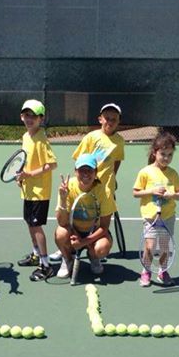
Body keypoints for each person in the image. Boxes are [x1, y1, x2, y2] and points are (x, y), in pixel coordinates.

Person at [50, 103, 125, 262]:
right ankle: (66, 249)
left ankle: (93, 253)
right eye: (107, 118)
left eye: (114, 119)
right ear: (100, 119)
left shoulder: (119, 141)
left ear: (118, 122)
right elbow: (80, 160)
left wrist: (113, 180)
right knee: (77, 217)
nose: (110, 122)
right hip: (86, 184)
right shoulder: (92, 137)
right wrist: (80, 180)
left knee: (97, 222)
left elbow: (117, 160)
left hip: (103, 190)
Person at [132, 132, 179, 287]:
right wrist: (152, 192)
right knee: (149, 246)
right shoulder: (145, 172)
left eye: (170, 155)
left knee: (164, 247)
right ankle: (146, 271)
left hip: (168, 216)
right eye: (163, 154)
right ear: (155, 152)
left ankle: (163, 271)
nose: (166, 158)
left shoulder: (173, 173)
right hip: (151, 217)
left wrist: (172, 195)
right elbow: (135, 193)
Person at [14, 100, 58, 281]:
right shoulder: (26, 137)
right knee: (30, 223)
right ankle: (36, 255)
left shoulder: (41, 139)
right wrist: (21, 175)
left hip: (40, 191)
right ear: (21, 116)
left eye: (34, 116)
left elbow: (52, 164)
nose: (29, 119)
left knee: (36, 226)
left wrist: (29, 174)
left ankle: (46, 265)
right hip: (28, 189)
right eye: (26, 115)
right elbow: (25, 160)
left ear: (41, 118)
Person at [55, 154, 114, 279]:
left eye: (89, 170)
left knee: (102, 248)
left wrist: (83, 242)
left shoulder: (104, 192)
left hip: (95, 231)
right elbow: (62, 222)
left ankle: (93, 257)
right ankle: (68, 259)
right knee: (60, 233)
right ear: (75, 171)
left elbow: (104, 226)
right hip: (73, 230)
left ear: (96, 172)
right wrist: (63, 200)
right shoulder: (67, 187)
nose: (86, 174)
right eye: (82, 170)